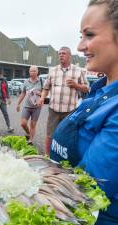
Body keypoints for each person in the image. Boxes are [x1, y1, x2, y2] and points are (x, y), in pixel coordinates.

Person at [50, 0, 118, 224]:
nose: (79, 46)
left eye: (89, 35)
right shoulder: (99, 91)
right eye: (81, 35)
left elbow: (85, 190)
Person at [38, 46, 89, 155]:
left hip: (70, 110)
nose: (61, 55)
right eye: (59, 53)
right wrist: (42, 97)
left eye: (64, 53)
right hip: (53, 109)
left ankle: (65, 158)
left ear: (69, 56)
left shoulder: (78, 71)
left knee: (67, 136)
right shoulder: (53, 70)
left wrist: (76, 85)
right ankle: (48, 156)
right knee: (49, 135)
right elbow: (46, 88)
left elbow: (87, 88)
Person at [16, 65, 42, 144]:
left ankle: (30, 140)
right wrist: (18, 104)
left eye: (34, 71)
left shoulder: (41, 81)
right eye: (31, 71)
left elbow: (45, 93)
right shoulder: (26, 81)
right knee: (23, 123)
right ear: (29, 72)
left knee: (33, 125)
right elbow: (23, 93)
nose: (33, 72)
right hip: (27, 106)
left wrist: (38, 93)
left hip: (37, 107)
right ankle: (28, 133)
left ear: (37, 72)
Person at [0, 68, 14, 133]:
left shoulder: (4, 80)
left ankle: (9, 126)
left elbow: (7, 89)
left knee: (5, 113)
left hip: (2, 99)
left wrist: (8, 98)